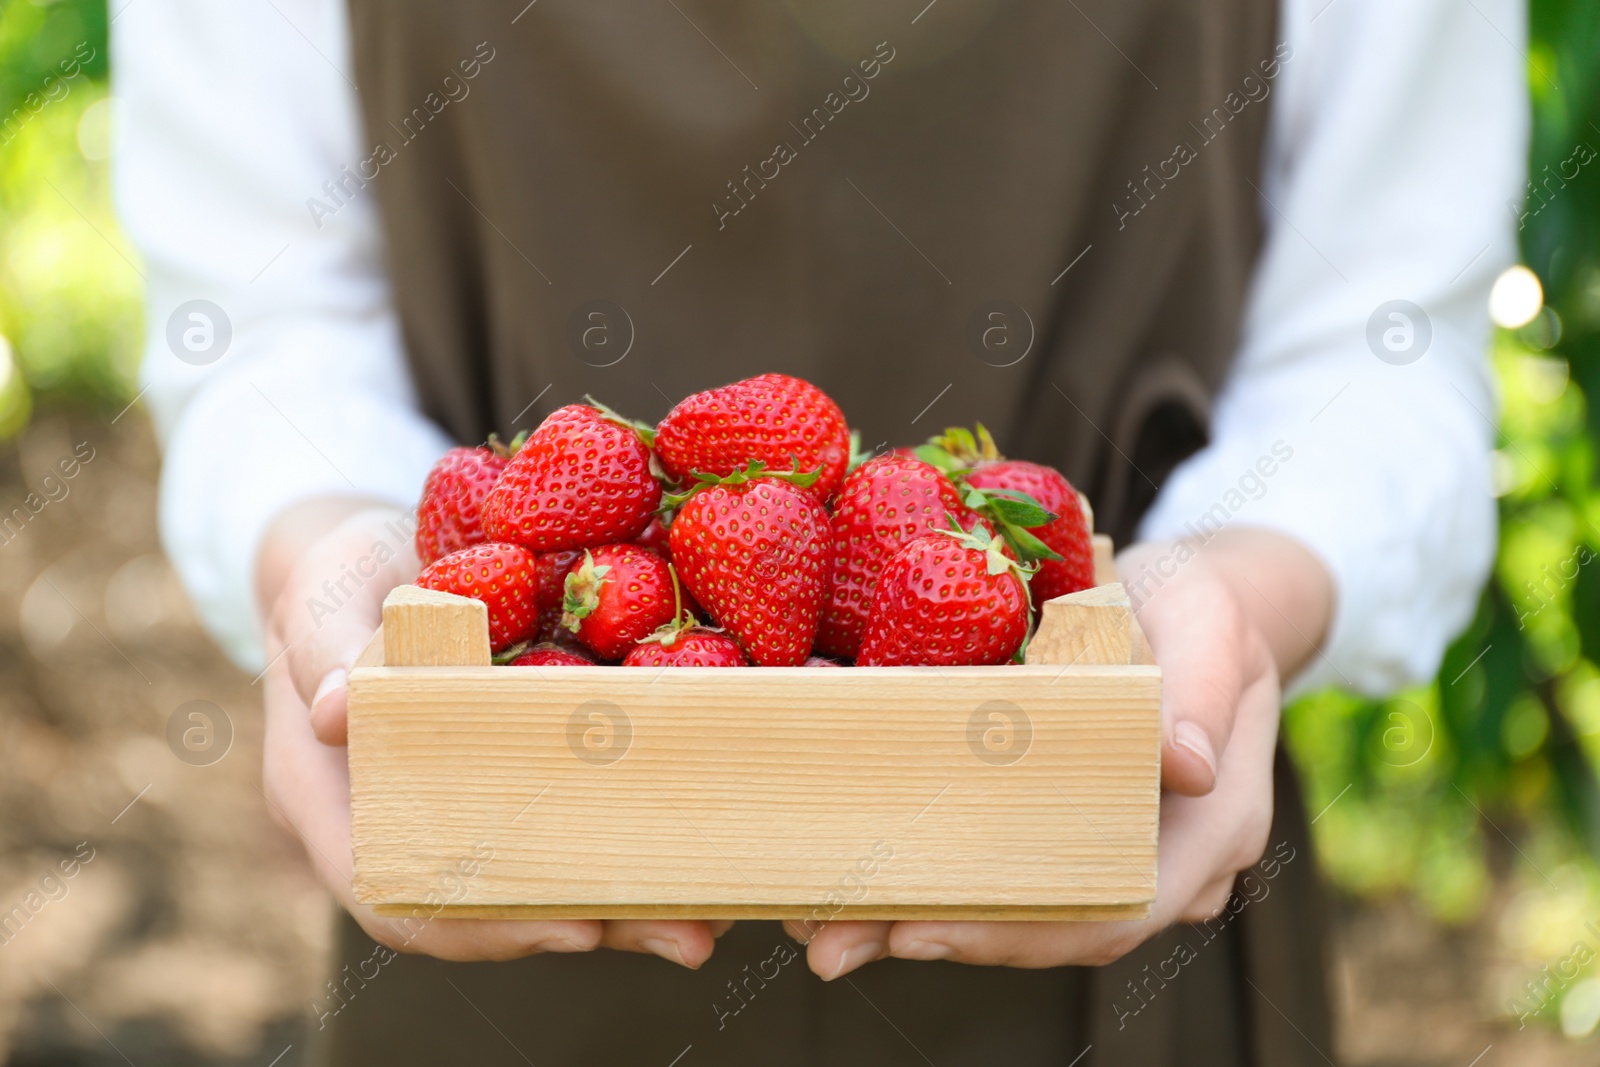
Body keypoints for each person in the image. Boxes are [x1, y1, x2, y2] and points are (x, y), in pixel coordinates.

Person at [115, 0, 1525, 1062]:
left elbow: (1383, 340)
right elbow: (262, 323)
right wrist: (331, 558)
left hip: (1127, 864)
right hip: (501, 865)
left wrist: (1236, 590)